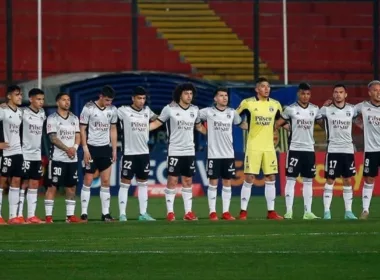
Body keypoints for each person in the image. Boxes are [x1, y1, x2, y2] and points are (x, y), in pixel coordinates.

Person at [150, 83, 206, 221]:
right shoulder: (169, 109)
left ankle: (188, 212)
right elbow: (157, 123)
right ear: (180, 94)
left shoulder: (195, 110)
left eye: (191, 94)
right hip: (175, 150)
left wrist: (214, 134)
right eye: (186, 93)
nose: (189, 96)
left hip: (189, 151)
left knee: (188, 180)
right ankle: (170, 212)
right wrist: (139, 130)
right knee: (173, 180)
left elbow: (199, 127)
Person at [236, 77, 283, 220]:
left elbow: (280, 120)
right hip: (253, 146)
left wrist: (284, 126)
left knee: (271, 177)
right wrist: (241, 125)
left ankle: (271, 212)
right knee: (250, 177)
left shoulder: (275, 104)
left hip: (269, 147)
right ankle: (243, 212)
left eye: (268, 86)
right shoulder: (248, 103)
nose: (266, 89)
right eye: (263, 86)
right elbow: (233, 116)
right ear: (257, 89)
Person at [199, 87, 247, 220]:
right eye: (221, 95)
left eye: (226, 95)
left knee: (227, 182)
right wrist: (203, 130)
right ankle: (212, 212)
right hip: (214, 154)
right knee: (213, 182)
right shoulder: (207, 112)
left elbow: (241, 124)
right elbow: (193, 118)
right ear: (215, 98)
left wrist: (257, 125)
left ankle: (226, 212)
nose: (224, 98)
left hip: (228, 154)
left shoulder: (232, 113)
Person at [276, 83, 321, 219]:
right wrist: (288, 127)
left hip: (309, 149)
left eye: (308, 94)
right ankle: (288, 212)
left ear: (310, 95)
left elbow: (322, 124)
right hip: (294, 149)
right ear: (298, 94)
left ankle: (308, 212)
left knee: (308, 180)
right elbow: (278, 123)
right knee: (291, 179)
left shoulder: (315, 109)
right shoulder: (290, 109)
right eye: (303, 94)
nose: (305, 96)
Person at [318, 84, 358, 220]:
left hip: (347, 149)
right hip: (333, 149)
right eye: (336, 92)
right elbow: (315, 118)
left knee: (347, 179)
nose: (338, 94)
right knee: (330, 179)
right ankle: (327, 212)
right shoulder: (326, 109)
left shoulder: (352, 109)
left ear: (345, 94)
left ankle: (348, 212)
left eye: (341, 92)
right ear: (333, 94)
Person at [117, 86, 156, 221]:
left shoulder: (147, 111)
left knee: (143, 183)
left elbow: (158, 120)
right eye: (139, 98)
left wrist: (149, 127)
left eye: (144, 98)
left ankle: (143, 214)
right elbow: (110, 117)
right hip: (129, 153)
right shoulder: (123, 111)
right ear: (133, 98)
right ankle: (122, 214)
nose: (142, 101)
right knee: (125, 183)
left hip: (144, 153)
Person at [79, 86, 118, 222]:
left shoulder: (113, 110)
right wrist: (85, 149)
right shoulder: (88, 108)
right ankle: (84, 213)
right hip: (91, 148)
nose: (109, 103)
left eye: (110, 101)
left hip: (105, 149)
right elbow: (82, 129)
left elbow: (113, 129)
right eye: (107, 100)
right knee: (88, 180)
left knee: (106, 181)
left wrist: (114, 149)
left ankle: (105, 214)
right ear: (100, 96)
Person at [44, 93, 82, 223]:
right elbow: (53, 138)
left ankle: (70, 216)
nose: (67, 102)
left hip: (72, 158)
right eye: (64, 100)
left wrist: (75, 149)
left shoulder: (74, 118)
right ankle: (49, 217)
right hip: (57, 158)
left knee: (71, 187)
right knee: (52, 186)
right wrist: (68, 149)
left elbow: (78, 136)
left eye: (68, 100)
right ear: (57, 102)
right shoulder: (52, 118)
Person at [17, 88, 46, 224]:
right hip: (24, 153)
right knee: (23, 183)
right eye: (38, 99)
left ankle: (31, 215)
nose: (41, 102)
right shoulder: (22, 112)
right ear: (31, 99)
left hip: (36, 154)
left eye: (42, 99)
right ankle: (18, 214)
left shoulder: (42, 113)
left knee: (34, 183)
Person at [353, 80, 380, 219]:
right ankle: (365, 210)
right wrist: (360, 125)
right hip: (372, 150)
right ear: (370, 93)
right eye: (375, 90)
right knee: (369, 179)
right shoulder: (363, 107)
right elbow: (347, 113)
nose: (378, 92)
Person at [0, 85, 24, 224]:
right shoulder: (2, 110)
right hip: (5, 152)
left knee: (16, 182)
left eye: (20, 94)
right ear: (9, 96)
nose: (20, 96)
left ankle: (12, 216)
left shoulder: (20, 112)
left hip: (17, 151)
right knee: (1, 183)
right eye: (17, 94)